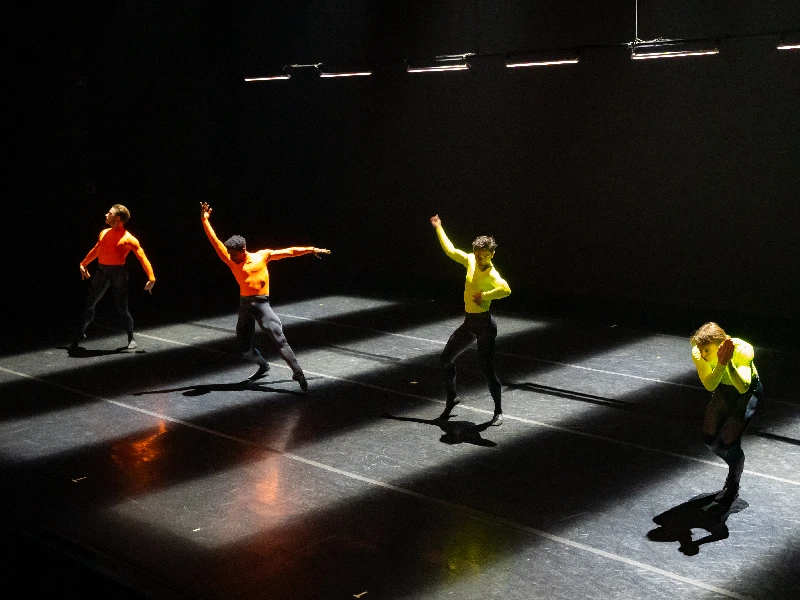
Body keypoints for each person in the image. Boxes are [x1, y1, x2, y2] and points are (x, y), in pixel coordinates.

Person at [200, 202, 330, 389]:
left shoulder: (262, 256)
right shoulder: (231, 262)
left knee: (279, 339)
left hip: (262, 305)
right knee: (244, 348)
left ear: (243, 250)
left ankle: (298, 372)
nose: (230, 256)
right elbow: (214, 241)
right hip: (245, 306)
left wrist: (311, 249)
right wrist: (205, 221)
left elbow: (289, 252)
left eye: (233, 253)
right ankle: (263, 365)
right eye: (229, 253)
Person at [430, 214, 511, 425]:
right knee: (445, 359)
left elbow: (506, 289)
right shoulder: (470, 260)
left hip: (484, 325)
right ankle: (452, 397)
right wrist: (439, 227)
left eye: (484, 255)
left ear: (492, 254)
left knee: (487, 370)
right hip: (469, 324)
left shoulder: (492, 274)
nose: (480, 258)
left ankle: (498, 411)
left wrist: (484, 296)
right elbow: (450, 250)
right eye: (477, 254)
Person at [690, 322, 763, 505]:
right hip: (723, 388)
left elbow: (743, 386)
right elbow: (710, 385)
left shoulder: (743, 350)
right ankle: (733, 459)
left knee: (728, 441)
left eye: (707, 350)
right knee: (709, 437)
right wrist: (720, 364)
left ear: (722, 346)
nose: (703, 354)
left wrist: (728, 363)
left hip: (746, 392)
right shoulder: (698, 352)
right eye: (701, 349)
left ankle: (733, 481)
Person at [71, 204, 156, 351]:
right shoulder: (104, 233)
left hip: (118, 273)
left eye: (109, 213)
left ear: (117, 218)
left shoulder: (129, 239)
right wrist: (83, 263)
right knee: (90, 305)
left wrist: (151, 277)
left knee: (122, 308)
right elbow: (97, 249)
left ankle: (130, 336)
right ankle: (80, 333)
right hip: (102, 272)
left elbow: (142, 257)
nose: (106, 215)